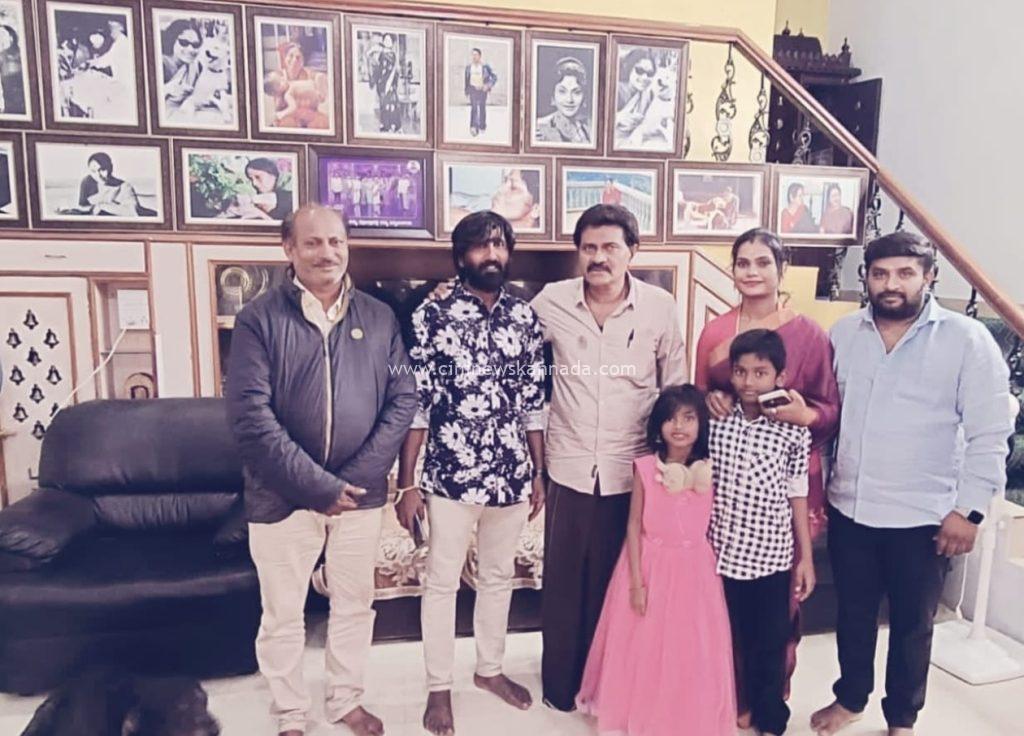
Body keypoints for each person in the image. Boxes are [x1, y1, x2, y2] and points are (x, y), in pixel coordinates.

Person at [225, 204, 418, 736]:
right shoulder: (258, 319)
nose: (326, 253)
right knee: (282, 614)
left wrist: (355, 481)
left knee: (355, 605)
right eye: (312, 242)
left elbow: (403, 397)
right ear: (289, 249)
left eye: (336, 241)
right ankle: (290, 712)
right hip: (281, 496)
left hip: (360, 497)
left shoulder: (379, 318)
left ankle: (345, 700)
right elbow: (249, 415)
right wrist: (318, 486)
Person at [810, 232, 1013, 736]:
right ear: (866, 278)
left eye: (905, 273)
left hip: (925, 516)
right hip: (851, 506)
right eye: (880, 274)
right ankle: (850, 697)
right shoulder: (844, 333)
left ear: (929, 276)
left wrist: (969, 511)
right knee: (853, 616)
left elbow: (990, 433)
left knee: (912, 625)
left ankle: (902, 717)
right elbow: (830, 416)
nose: (891, 284)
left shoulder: (966, 340)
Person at [396, 211, 547, 736]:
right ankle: (439, 687)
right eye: (482, 246)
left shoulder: (523, 317)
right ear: (461, 256)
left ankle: (490, 669)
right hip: (450, 475)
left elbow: (533, 402)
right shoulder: (431, 314)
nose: (493, 255)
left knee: (498, 576)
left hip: (511, 473)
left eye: (500, 245)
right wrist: (407, 482)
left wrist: (539, 471)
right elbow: (418, 404)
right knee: (441, 582)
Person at [534, 204, 688, 710]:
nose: (598, 258)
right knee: (562, 585)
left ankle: (606, 686)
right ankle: (561, 686)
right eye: (589, 248)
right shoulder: (551, 301)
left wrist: (673, 465)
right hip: (569, 464)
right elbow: (509, 341)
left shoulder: (659, 307)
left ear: (632, 252)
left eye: (609, 247)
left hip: (632, 471)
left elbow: (675, 387)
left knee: (614, 583)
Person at [695, 228, 839, 721]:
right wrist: (711, 401)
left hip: (785, 483)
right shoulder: (715, 333)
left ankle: (770, 696)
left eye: (763, 262)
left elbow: (829, 408)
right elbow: (700, 397)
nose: (752, 272)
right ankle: (729, 696)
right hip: (728, 485)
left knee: (779, 609)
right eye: (743, 262)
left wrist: (804, 416)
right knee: (723, 606)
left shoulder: (810, 334)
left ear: (782, 269)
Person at [577, 384, 736, 735]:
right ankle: (641, 709)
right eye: (670, 419)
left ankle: (680, 711)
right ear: (658, 426)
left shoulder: (709, 470)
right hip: (650, 564)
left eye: (688, 418)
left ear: (701, 423)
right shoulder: (646, 468)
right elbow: (634, 525)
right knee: (643, 642)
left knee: (689, 645)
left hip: (695, 570)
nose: (679, 426)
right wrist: (636, 582)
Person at [710, 329, 815, 736]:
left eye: (760, 372)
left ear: (779, 377)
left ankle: (770, 716)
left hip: (771, 557)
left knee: (770, 643)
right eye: (741, 372)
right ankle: (738, 704)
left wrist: (805, 558)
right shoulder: (716, 423)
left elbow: (798, 493)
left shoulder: (793, 430)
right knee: (728, 639)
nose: (749, 382)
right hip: (721, 554)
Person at [69, 152, 155, 218]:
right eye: (93, 171)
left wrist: (101, 206)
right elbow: (83, 206)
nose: (98, 175)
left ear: (111, 167)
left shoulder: (124, 186)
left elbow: (133, 212)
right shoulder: (87, 182)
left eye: (102, 169)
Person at [534, 56, 590, 144]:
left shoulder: (586, 130)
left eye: (576, 92)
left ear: (584, 97)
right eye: (562, 92)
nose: (569, 99)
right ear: (553, 95)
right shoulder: (538, 129)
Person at [223, 158, 292, 221]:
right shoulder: (249, 201)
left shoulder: (289, 199)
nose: (254, 183)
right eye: (250, 179)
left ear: (273, 176)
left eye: (258, 177)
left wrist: (260, 214)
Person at [464, 47, 496, 136]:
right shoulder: (468, 67)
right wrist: (466, 90)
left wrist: (488, 85)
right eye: (472, 55)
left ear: (480, 56)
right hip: (473, 89)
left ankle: (482, 126)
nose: (474, 57)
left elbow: (494, 77)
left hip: (482, 90)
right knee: (474, 108)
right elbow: (466, 80)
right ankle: (473, 127)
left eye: (476, 55)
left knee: (482, 108)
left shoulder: (485, 67)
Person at [0, 23, 26, 116]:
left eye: (3, 36)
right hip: (8, 99)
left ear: (12, 37)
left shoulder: (23, 53)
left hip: (23, 99)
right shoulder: (2, 56)